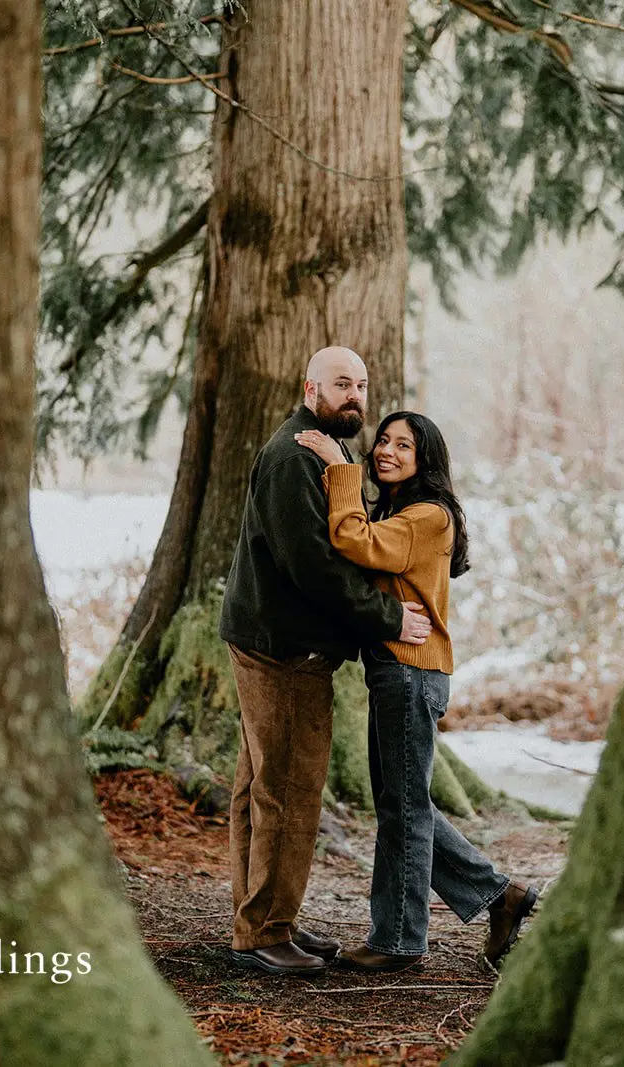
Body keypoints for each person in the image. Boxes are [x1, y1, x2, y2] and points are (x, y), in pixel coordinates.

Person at [295, 411, 537, 973]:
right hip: (397, 670)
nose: (387, 450)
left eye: (404, 445)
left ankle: (399, 940)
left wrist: (339, 469)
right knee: (403, 804)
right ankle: (500, 896)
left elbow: (355, 541)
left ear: (425, 459)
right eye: (383, 440)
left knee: (403, 809)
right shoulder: (404, 511)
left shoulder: (428, 515)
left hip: (410, 672)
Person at [219, 347, 434, 975]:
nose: (355, 395)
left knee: (260, 788)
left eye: (361, 385)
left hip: (273, 638)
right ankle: (265, 932)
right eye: (342, 384)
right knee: (287, 791)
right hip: (285, 649)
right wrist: (389, 617)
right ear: (310, 388)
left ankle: (262, 921)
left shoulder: (322, 451)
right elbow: (314, 568)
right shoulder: (294, 457)